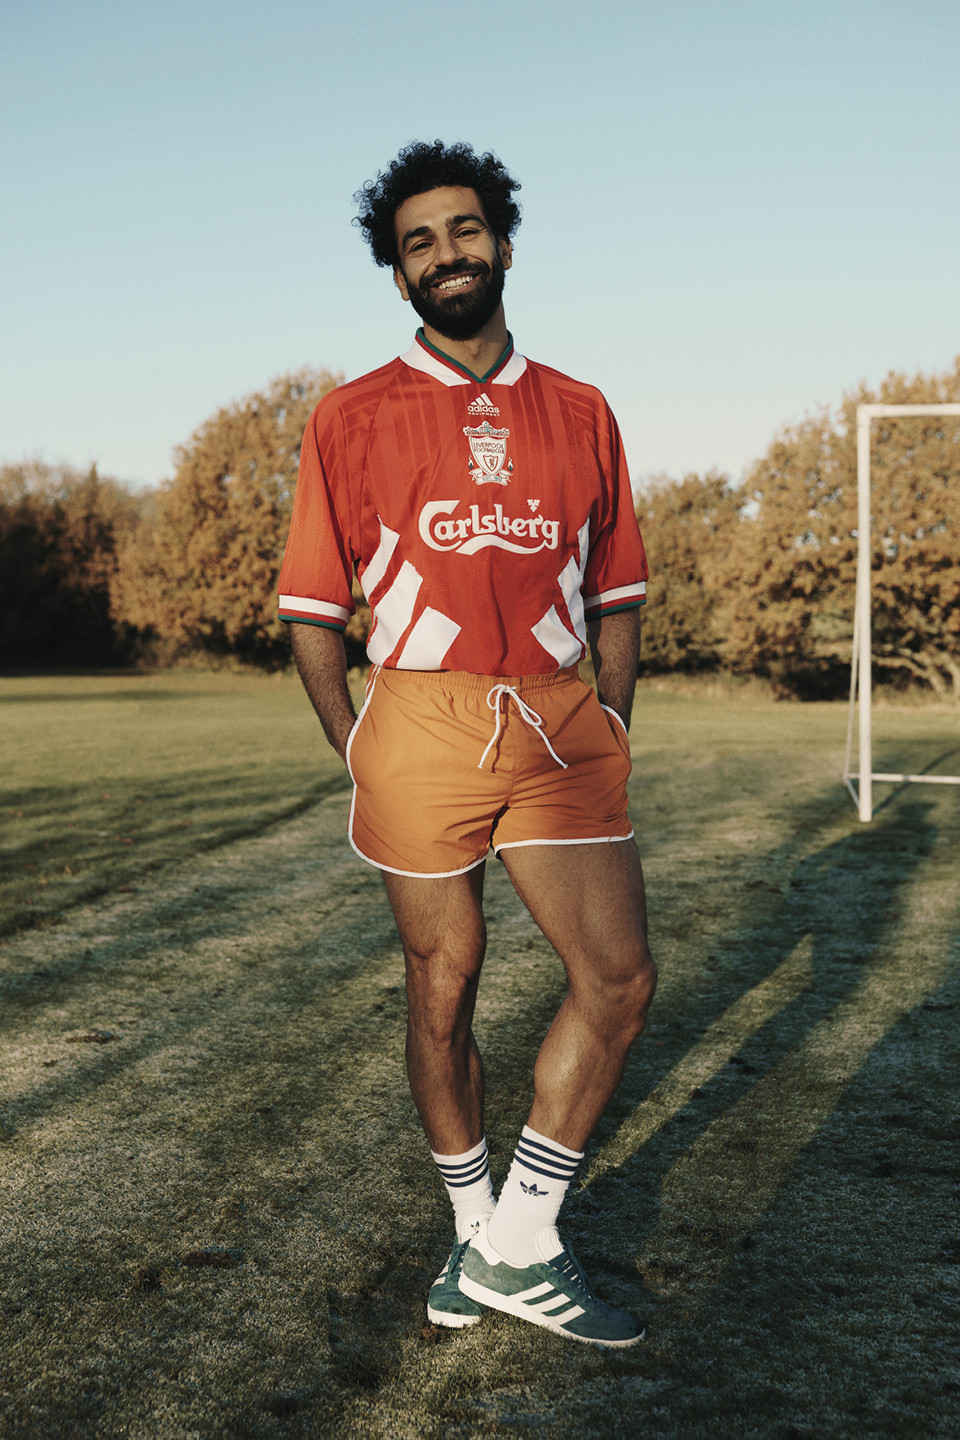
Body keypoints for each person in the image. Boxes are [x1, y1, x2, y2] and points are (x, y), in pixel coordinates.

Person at [278, 140, 657, 1348]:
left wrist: (610, 712)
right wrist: (358, 744)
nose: (446, 254)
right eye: (418, 243)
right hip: (419, 717)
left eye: (464, 229)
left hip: (556, 717)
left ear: (503, 242)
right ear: (398, 275)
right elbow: (314, 610)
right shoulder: (349, 415)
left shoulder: (583, 409)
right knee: (444, 981)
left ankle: (520, 1240)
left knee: (619, 979)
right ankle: (471, 1227)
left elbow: (618, 589)